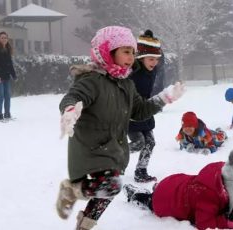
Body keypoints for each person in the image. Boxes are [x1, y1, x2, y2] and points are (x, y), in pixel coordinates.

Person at [55, 26, 185, 230]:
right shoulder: (92, 80)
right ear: (107, 51)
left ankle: (84, 225)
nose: (131, 57)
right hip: (92, 148)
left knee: (110, 190)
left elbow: (139, 110)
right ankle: (72, 191)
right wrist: (70, 110)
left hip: (113, 148)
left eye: (133, 52)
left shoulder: (126, 84)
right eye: (126, 51)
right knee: (112, 186)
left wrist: (163, 98)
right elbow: (73, 97)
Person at [123, 145, 233, 230]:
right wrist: (225, 220)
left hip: (175, 184)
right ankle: (136, 195)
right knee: (151, 200)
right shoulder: (208, 195)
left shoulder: (225, 175)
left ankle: (156, 189)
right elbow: (204, 225)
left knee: (166, 191)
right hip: (165, 200)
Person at [128, 29, 163, 183]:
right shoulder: (132, 69)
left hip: (145, 110)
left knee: (150, 142)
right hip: (130, 113)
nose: (154, 62)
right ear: (141, 58)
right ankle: (113, 157)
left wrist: (149, 39)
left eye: (156, 59)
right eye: (150, 59)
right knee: (138, 143)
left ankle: (140, 171)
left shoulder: (153, 69)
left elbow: (161, 58)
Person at [0, 31, 17, 122]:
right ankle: (0, 116)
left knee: (7, 96)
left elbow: (9, 64)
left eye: (5, 38)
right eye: (2, 38)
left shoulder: (8, 49)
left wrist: (14, 75)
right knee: (1, 96)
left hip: (6, 76)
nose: (4, 39)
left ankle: (7, 114)